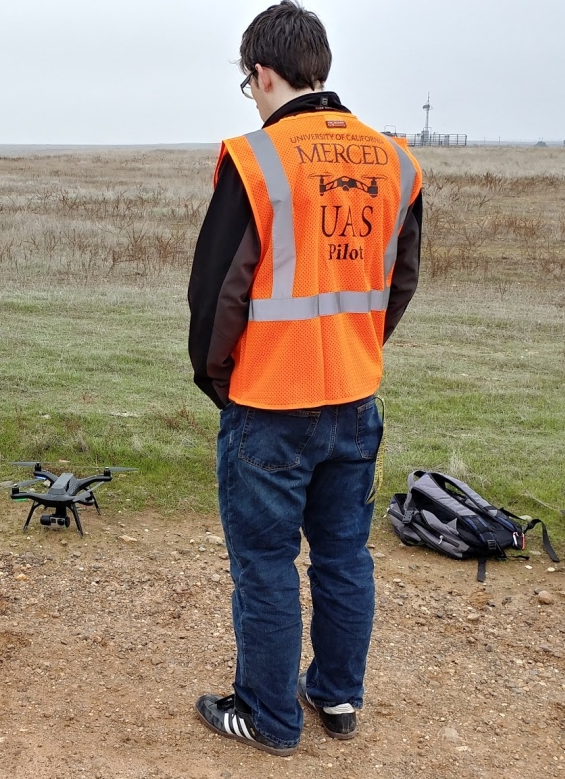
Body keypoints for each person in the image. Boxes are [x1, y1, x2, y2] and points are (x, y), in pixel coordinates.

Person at [187, 1, 422, 756]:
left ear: (261, 72)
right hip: (355, 393)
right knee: (345, 555)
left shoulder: (256, 159)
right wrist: (357, 342)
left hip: (267, 400)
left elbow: (218, 292)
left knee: (264, 562)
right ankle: (339, 695)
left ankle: (269, 715)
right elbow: (401, 278)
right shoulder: (394, 160)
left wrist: (217, 377)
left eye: (248, 83)